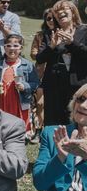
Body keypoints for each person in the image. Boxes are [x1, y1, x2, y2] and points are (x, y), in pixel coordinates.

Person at [35, 0, 87, 126]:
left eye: (64, 9)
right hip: (54, 86)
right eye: (57, 11)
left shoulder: (84, 31)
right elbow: (40, 58)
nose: (60, 12)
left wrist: (72, 43)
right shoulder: (50, 34)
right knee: (54, 122)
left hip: (78, 85)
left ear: (73, 12)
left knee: (77, 120)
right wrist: (51, 46)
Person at [0, 34, 39, 136]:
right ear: (4, 48)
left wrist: (24, 86)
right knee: (2, 119)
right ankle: (2, 135)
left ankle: (21, 135)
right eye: (9, 46)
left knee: (18, 122)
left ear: (21, 48)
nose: (12, 49)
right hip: (2, 100)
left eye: (16, 46)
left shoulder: (27, 65)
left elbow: (36, 83)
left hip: (19, 100)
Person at [29, 8, 56, 140]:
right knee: (39, 104)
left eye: (53, 18)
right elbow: (33, 54)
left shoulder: (63, 33)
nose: (51, 21)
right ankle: (38, 129)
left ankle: (50, 130)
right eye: (48, 18)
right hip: (40, 74)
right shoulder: (40, 35)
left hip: (57, 74)